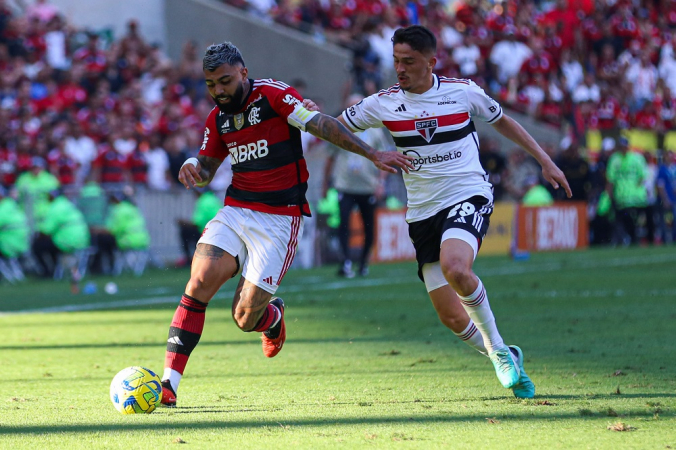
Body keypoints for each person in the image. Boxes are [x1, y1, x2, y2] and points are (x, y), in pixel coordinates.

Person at [305, 25, 572, 398]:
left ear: (431, 62)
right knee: (450, 316)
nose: (400, 69)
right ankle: (505, 353)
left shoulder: (462, 93)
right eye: (396, 61)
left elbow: (504, 122)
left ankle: (496, 350)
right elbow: (333, 128)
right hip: (423, 212)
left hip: (468, 193)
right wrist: (359, 144)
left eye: (409, 62)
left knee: (457, 267)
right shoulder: (382, 103)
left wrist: (545, 161)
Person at [160, 41, 413, 407]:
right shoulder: (217, 118)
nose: (218, 91)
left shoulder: (274, 96)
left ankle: (272, 316)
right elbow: (206, 169)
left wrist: (372, 152)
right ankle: (169, 384)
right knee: (199, 280)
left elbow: (320, 124)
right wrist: (192, 168)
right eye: (211, 84)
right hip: (237, 209)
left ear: (243, 72)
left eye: (225, 81)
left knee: (245, 318)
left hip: (280, 219)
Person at [324, 93, 392, 278]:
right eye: (350, 107)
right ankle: (345, 262)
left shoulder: (375, 130)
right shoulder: (339, 129)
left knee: (368, 227)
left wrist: (381, 183)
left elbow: (385, 157)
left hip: (368, 186)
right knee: (343, 225)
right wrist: (325, 184)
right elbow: (330, 158)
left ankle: (363, 262)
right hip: (344, 185)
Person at [606, 136, 648, 245]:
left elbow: (642, 177)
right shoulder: (614, 159)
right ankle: (629, 239)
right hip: (621, 198)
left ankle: (633, 239)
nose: (623, 149)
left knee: (633, 221)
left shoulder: (636, 158)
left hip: (636, 198)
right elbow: (610, 179)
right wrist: (609, 195)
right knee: (624, 221)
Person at [176, 188, 223, 266]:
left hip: (207, 233)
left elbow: (197, 223)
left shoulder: (202, 201)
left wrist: (183, 222)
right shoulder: (213, 199)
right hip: (220, 231)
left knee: (185, 231)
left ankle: (189, 259)